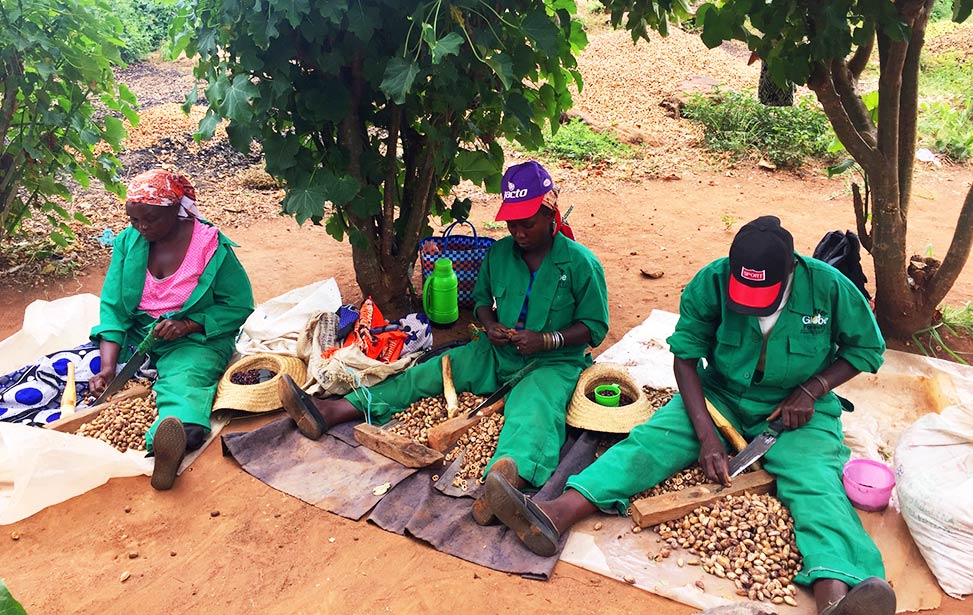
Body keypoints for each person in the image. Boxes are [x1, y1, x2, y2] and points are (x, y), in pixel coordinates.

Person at [481, 216, 895, 615]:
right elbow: (686, 359)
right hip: (720, 395)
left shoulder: (828, 286)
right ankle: (552, 516)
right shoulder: (712, 281)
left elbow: (865, 350)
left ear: (791, 270)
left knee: (815, 482)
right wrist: (706, 434)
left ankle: (837, 598)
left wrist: (812, 390)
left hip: (798, 408)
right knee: (648, 444)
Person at [277, 160, 609, 524]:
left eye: (527, 223)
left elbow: (593, 327)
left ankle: (503, 481)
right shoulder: (498, 255)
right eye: (511, 223)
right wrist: (491, 325)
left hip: (553, 362)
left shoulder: (580, 264)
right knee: (432, 371)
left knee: (534, 407)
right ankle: (335, 410)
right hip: (498, 353)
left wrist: (547, 339)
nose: (518, 232)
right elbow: (482, 302)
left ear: (551, 215)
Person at [88, 169, 254, 490]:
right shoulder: (128, 243)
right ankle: (159, 410)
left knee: (186, 377)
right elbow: (113, 308)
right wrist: (108, 368)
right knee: (88, 370)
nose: (141, 227)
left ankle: (175, 435)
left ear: (175, 210)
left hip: (193, 339)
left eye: (150, 219)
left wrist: (188, 324)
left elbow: (239, 305)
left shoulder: (209, 247)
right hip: (141, 339)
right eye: (134, 220)